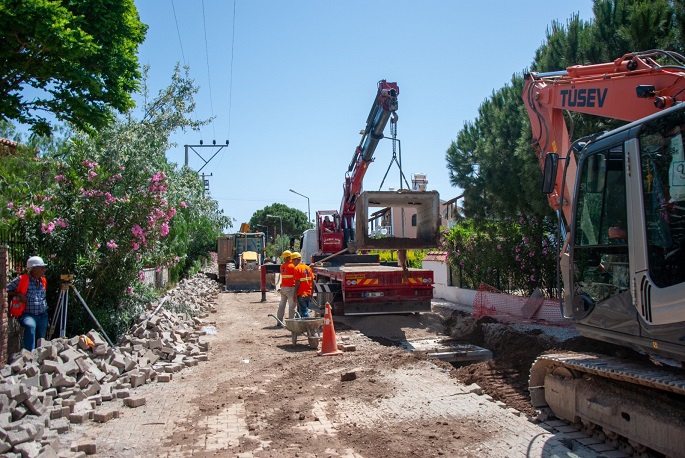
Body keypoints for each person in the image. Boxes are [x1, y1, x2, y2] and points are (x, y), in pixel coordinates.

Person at [7, 256, 49, 351]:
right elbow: (6, 289)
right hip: (28, 314)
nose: (44, 270)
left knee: (41, 339)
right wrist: (18, 294)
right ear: (34, 269)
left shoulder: (43, 281)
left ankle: (40, 359)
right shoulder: (22, 279)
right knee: (30, 327)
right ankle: (29, 356)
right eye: (42, 267)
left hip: (42, 315)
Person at [276, 250, 296, 326]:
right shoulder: (293, 266)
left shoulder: (282, 266)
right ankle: (291, 322)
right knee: (292, 305)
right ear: (290, 257)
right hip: (290, 288)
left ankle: (279, 321)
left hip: (283, 288)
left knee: (281, 305)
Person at [291, 252, 314, 318]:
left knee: (304, 312)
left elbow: (297, 283)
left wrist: (295, 294)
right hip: (308, 293)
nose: (292, 263)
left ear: (295, 260)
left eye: (292, 260)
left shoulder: (297, 268)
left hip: (301, 293)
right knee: (301, 311)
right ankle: (300, 325)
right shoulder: (308, 268)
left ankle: (308, 325)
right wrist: (311, 293)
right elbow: (313, 282)